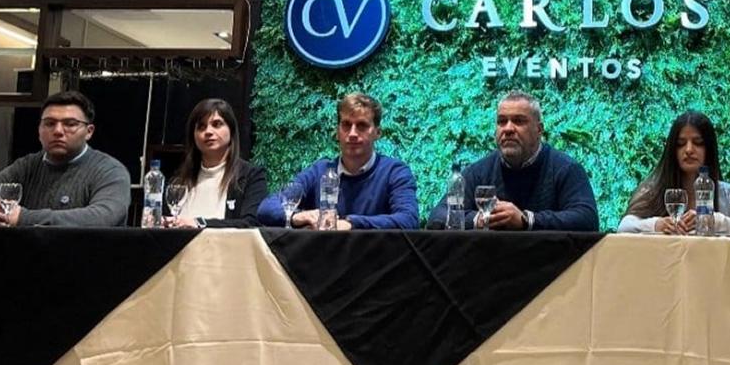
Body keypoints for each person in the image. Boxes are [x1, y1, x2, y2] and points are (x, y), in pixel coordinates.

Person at [426, 91, 599, 232]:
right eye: (502, 122)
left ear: (539, 130)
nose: (508, 129)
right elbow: (437, 216)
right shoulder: (478, 171)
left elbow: (586, 219)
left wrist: (527, 220)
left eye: (518, 121)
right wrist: (480, 219)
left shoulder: (566, 168)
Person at [257, 92, 419, 229]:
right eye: (346, 125)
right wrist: (298, 216)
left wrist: (351, 223)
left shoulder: (394, 172)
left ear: (377, 132)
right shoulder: (319, 171)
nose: (353, 133)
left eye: (362, 125)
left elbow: (408, 220)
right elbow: (266, 208)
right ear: (337, 131)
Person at [0, 90, 131, 227]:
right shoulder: (24, 167)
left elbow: (104, 217)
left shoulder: (109, 171)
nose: (58, 131)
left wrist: (23, 218)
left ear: (89, 132)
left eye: (70, 124)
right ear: (39, 129)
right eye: (49, 124)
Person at [617, 110, 730, 242]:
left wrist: (713, 221)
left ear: (709, 149)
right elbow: (624, 227)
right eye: (680, 144)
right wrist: (656, 225)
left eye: (698, 143)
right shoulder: (653, 192)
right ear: (672, 151)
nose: (689, 150)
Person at [162, 98, 267, 229]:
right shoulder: (179, 180)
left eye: (217, 124)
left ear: (231, 131)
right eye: (201, 127)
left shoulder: (251, 176)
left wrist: (199, 223)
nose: (208, 132)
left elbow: (250, 223)